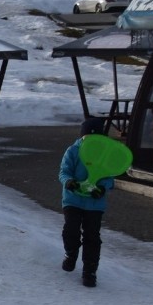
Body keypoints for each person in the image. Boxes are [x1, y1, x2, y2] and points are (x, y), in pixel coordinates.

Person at [58, 117, 114, 288]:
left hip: (94, 204)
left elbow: (109, 177)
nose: (90, 142)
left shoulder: (105, 154)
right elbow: (64, 172)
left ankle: (90, 271)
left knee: (92, 236)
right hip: (73, 199)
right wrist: (69, 182)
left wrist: (103, 188)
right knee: (71, 229)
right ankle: (71, 252)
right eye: (86, 138)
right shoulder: (73, 151)